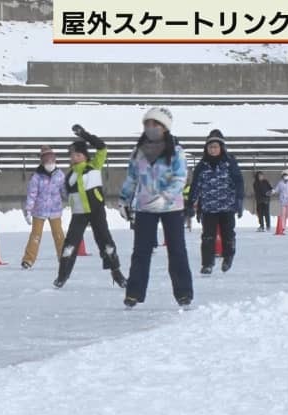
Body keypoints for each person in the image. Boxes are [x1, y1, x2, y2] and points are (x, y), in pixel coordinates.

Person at [118, 107, 193, 308]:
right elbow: (132, 178)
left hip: (171, 208)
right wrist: (124, 200)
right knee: (141, 251)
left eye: (156, 124)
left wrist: (166, 197)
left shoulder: (176, 151)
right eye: (148, 124)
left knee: (177, 250)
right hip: (145, 207)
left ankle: (184, 292)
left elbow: (180, 178)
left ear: (165, 128)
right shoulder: (138, 152)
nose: (151, 128)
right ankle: (134, 292)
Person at [53, 124, 127, 289]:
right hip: (79, 214)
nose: (75, 158)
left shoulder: (94, 165)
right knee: (70, 245)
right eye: (72, 155)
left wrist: (85, 135)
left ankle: (116, 272)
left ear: (85, 156)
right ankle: (62, 275)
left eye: (78, 154)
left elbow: (101, 147)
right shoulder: (70, 175)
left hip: (96, 211)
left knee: (106, 243)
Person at [187, 129, 244, 274]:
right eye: (210, 147)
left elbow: (239, 182)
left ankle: (228, 257)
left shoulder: (230, 163)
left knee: (228, 234)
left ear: (221, 148)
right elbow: (195, 187)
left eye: (216, 147)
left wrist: (239, 200)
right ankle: (207, 263)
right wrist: (191, 204)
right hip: (208, 208)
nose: (213, 150)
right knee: (207, 236)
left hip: (227, 207)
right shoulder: (202, 166)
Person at [21, 145, 66, 269]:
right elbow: (32, 194)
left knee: (59, 235)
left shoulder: (60, 175)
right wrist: (28, 210)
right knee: (35, 235)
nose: (50, 163)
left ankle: (64, 259)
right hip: (39, 211)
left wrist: (72, 200)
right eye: (47, 160)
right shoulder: (36, 177)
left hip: (55, 210)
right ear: (42, 161)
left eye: (52, 160)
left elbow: (64, 191)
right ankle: (28, 259)